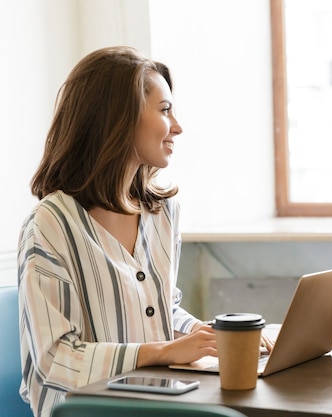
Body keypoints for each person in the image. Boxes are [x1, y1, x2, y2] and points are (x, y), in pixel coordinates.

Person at [17, 46, 272, 417]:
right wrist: (163, 352)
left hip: (154, 403)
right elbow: (54, 359)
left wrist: (206, 335)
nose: (178, 126)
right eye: (165, 109)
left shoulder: (164, 214)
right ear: (118, 118)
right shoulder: (51, 224)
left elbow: (161, 311)